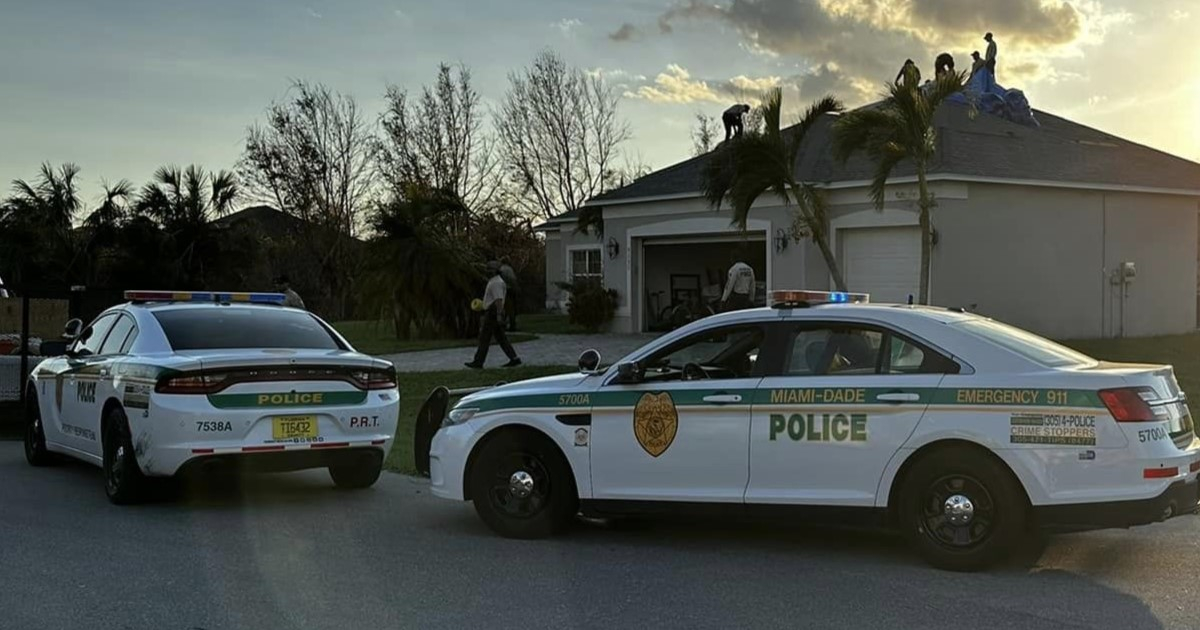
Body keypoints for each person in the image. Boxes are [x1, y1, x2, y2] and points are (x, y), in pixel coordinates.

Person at [465, 261, 521, 369]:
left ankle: (478, 361)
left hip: (492, 312)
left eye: (489, 269)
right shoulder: (495, 281)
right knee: (501, 337)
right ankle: (514, 358)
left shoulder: (496, 283)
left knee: (484, 338)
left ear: (495, 271)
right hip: (492, 310)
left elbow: (498, 300)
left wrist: (499, 314)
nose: (487, 271)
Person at [499, 257, 518, 332]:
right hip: (510, 290)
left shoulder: (501, 269)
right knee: (510, 309)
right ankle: (512, 325)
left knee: (504, 308)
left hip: (503, 290)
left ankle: (503, 325)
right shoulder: (509, 269)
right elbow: (513, 280)